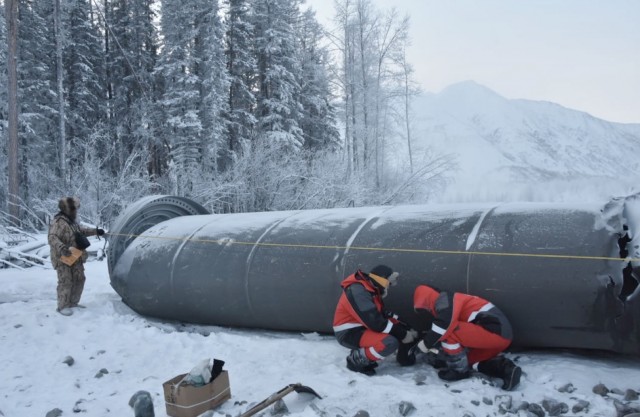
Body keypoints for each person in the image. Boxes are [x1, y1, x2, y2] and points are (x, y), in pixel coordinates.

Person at [412, 285, 522, 390]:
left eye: (426, 308)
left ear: (426, 299)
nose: (428, 311)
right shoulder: (450, 301)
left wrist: (426, 343)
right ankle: (506, 370)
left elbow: (445, 325)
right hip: (498, 337)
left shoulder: (446, 299)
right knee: (470, 361)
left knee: (450, 332)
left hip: (494, 331)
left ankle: (458, 371)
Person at [333, 265, 418, 375]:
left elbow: (382, 314)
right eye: (388, 283)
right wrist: (403, 334)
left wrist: (404, 326)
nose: (389, 287)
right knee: (389, 342)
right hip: (349, 333)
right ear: (382, 281)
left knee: (396, 328)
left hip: (362, 327)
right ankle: (356, 359)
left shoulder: (370, 289)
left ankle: (365, 351)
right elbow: (376, 322)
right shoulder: (358, 291)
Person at [48, 197, 105, 316]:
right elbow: (52, 238)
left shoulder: (71, 222)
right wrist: (62, 248)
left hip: (75, 255)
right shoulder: (58, 222)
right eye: (75, 208)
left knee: (80, 279)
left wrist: (96, 231)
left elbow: (81, 231)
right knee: (66, 281)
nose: (76, 211)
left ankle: (73, 302)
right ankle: (63, 306)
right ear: (68, 209)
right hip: (63, 257)